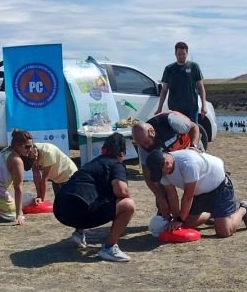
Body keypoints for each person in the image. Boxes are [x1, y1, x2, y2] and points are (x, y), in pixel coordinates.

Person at [53, 133, 136, 262]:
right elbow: (121, 190)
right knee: (128, 205)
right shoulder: (116, 164)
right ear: (121, 154)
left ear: (104, 149)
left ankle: (79, 234)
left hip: (60, 210)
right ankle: (109, 248)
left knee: (89, 195)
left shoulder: (90, 164)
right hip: (81, 213)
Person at [146, 148, 247, 238]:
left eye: (161, 172)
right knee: (185, 224)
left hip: (219, 187)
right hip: (200, 192)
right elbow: (172, 196)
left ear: (167, 163)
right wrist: (176, 219)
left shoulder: (188, 164)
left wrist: (179, 219)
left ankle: (243, 210)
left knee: (224, 232)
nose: (161, 176)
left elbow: (188, 196)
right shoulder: (162, 170)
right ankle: (212, 214)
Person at [132, 111, 203, 216]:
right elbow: (147, 175)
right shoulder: (142, 144)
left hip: (190, 150)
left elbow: (194, 127)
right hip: (168, 160)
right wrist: (160, 197)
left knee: (198, 185)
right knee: (161, 184)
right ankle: (167, 215)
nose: (146, 147)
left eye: (146, 143)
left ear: (151, 132)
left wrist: (194, 146)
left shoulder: (171, 121)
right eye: (142, 145)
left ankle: (204, 211)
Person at [155, 41, 207, 123]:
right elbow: (164, 90)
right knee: (176, 134)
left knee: (193, 132)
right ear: (175, 54)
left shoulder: (194, 67)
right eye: (179, 54)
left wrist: (204, 106)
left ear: (187, 53)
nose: (181, 56)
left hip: (191, 108)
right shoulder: (169, 69)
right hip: (175, 109)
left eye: (183, 54)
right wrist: (159, 108)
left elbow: (201, 87)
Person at [31, 141, 78, 206]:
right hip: (56, 178)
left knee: (70, 205)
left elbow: (44, 178)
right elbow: (36, 177)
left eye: (35, 160)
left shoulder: (48, 152)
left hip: (68, 175)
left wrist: (42, 199)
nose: (35, 162)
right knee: (60, 205)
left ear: (36, 153)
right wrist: (38, 196)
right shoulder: (28, 152)